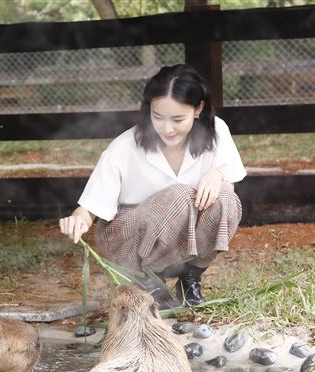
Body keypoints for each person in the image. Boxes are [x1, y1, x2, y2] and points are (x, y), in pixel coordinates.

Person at [59, 64, 246, 307]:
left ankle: (190, 277)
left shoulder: (216, 131)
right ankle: (147, 280)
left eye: (178, 119)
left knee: (226, 198)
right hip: (126, 238)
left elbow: (226, 195)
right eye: (158, 117)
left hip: (177, 239)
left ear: (198, 109)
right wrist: (78, 220)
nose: (167, 128)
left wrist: (218, 176)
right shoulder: (124, 147)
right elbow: (88, 210)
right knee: (181, 195)